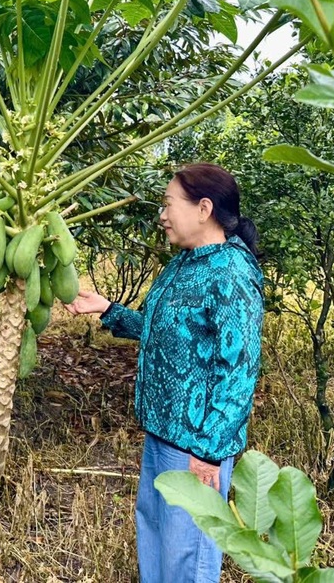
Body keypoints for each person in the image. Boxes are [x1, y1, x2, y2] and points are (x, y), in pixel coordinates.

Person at [66, 163, 264, 583]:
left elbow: (240, 371)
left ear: (203, 208)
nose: (162, 214)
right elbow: (167, 332)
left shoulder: (231, 272)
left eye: (168, 203)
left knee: (187, 556)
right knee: (156, 538)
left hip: (195, 445)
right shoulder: (184, 262)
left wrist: (209, 454)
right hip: (161, 431)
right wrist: (108, 311)